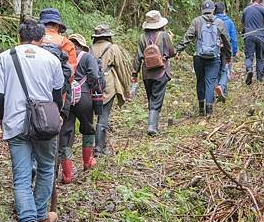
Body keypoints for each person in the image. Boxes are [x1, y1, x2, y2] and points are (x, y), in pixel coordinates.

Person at [0, 18, 64, 222]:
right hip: (45, 124)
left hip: (16, 124)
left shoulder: (5, 57)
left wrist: (2, 116)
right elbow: (57, 94)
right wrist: (56, 115)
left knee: (21, 177)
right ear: (41, 38)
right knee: (46, 168)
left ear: (19, 37)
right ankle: (41, 214)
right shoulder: (51, 59)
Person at [57, 34, 102, 184]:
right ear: (82, 46)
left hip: (66, 98)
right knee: (88, 128)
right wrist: (93, 90)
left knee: (65, 132)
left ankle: (67, 174)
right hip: (84, 97)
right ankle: (87, 162)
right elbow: (95, 76)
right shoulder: (88, 57)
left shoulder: (63, 55)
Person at [175, 0, 232, 117]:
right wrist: (228, 55)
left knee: (200, 81)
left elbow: (188, 37)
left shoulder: (196, 21)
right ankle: (209, 111)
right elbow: (226, 40)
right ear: (213, 10)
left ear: (202, 9)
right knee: (210, 82)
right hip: (214, 58)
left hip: (199, 57)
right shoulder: (219, 22)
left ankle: (201, 109)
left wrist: (177, 50)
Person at [132, 10, 176, 136]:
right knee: (157, 98)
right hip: (161, 72)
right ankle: (152, 127)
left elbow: (138, 57)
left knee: (151, 97)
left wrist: (134, 73)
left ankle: (153, 124)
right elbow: (171, 52)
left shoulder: (142, 37)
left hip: (146, 72)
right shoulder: (164, 35)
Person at [90, 24, 131, 156]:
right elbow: (121, 69)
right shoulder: (113, 48)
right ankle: (99, 147)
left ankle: (90, 146)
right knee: (103, 115)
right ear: (108, 36)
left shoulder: (90, 48)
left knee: (91, 116)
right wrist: (126, 88)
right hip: (108, 85)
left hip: (92, 85)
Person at [242, 0, 264, 85]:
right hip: (261, 36)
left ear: (252, 1)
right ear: (261, 2)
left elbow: (243, 23)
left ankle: (249, 69)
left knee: (249, 56)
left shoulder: (246, 10)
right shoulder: (263, 9)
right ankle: (260, 78)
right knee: (260, 57)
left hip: (249, 36)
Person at [213, 2, 238, 102]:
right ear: (224, 10)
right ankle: (222, 88)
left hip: (214, 48)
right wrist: (234, 51)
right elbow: (233, 38)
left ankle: (217, 91)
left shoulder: (212, 21)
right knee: (225, 69)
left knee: (215, 69)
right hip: (226, 49)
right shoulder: (229, 22)